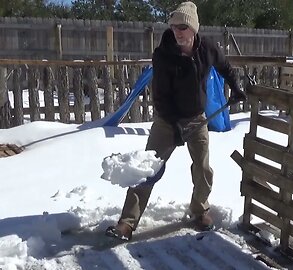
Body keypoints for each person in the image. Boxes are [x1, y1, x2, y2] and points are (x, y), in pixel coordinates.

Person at [105, 1, 246, 241]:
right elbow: (160, 98)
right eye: (174, 27)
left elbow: (226, 67)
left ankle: (200, 210)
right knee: (149, 169)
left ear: (193, 28)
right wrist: (176, 126)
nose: (178, 31)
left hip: (197, 118)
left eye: (183, 27)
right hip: (166, 121)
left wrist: (236, 88)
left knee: (202, 168)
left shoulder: (208, 49)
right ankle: (127, 223)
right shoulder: (163, 55)